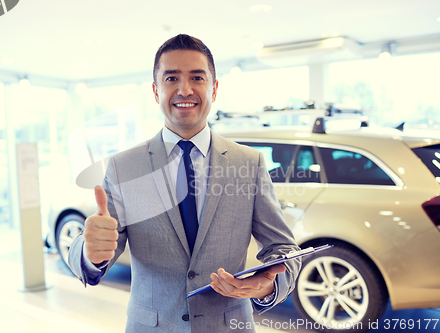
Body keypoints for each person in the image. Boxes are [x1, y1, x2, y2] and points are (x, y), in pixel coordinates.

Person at [69, 34, 301, 333]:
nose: (185, 89)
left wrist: (265, 287)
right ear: (155, 91)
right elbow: (98, 250)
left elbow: (284, 249)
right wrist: (90, 252)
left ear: (214, 88)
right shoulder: (124, 167)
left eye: (197, 77)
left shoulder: (248, 163)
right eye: (171, 78)